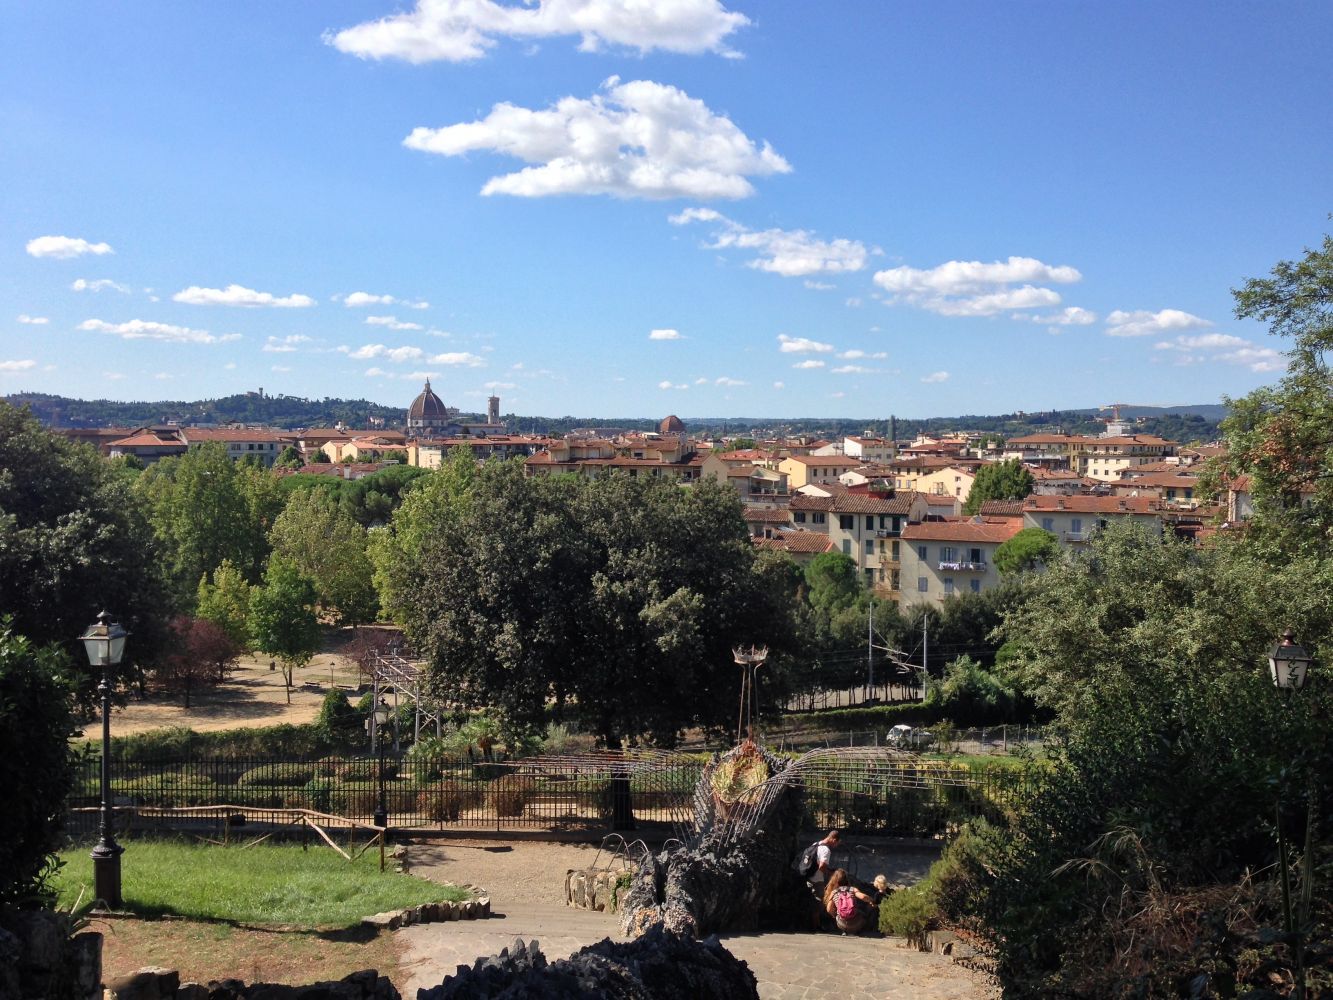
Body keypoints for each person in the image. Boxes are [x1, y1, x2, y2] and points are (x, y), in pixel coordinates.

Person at [802, 830, 841, 929]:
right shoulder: (826, 850)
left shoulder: (816, 844)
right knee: (818, 903)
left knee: (811, 901)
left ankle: (811, 924)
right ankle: (815, 926)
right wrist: (830, 874)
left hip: (808, 876)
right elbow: (822, 866)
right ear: (833, 839)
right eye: (837, 843)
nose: (836, 845)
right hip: (817, 879)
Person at [823, 868, 877, 934]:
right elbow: (863, 897)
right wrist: (872, 900)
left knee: (839, 914)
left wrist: (835, 915)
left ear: (834, 880)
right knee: (863, 912)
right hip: (856, 923)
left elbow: (829, 909)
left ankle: (844, 930)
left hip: (841, 923)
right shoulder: (852, 889)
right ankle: (859, 930)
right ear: (847, 879)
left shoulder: (834, 892)